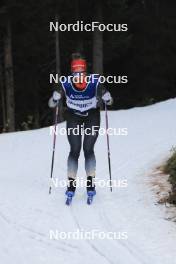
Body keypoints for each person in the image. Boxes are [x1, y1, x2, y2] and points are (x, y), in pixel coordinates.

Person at [49, 53, 113, 198]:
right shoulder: (65, 83)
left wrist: (107, 99)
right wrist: (54, 98)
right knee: (75, 149)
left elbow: (110, 102)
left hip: (92, 116)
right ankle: (71, 186)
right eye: (76, 73)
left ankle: (90, 185)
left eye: (82, 73)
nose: (79, 76)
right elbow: (51, 104)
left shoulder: (95, 82)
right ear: (72, 73)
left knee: (88, 149)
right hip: (73, 117)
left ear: (86, 72)